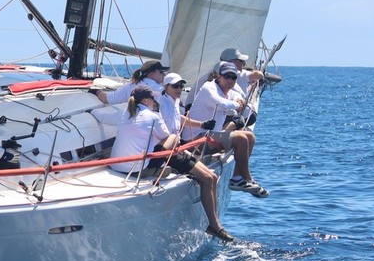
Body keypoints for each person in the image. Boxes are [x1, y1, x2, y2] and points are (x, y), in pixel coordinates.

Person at [93, 86, 231, 241]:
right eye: (153, 99)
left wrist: (91, 111)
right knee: (206, 175)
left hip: (118, 165)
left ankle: (214, 223)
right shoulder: (153, 116)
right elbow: (168, 138)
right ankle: (215, 225)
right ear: (146, 100)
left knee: (204, 173)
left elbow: (101, 115)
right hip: (142, 166)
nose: (155, 102)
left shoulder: (123, 115)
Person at [185, 62, 268, 197]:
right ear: (219, 77)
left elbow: (241, 101)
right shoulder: (209, 87)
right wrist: (237, 104)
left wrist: (239, 101)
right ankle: (248, 178)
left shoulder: (228, 91)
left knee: (250, 136)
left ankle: (236, 178)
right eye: (226, 76)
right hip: (194, 140)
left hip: (210, 136)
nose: (230, 80)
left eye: (233, 77)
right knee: (240, 139)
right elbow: (221, 103)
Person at [97, 58, 167, 105]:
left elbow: (107, 99)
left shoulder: (131, 85)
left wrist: (96, 91)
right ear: (152, 73)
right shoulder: (161, 90)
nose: (164, 74)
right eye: (161, 72)